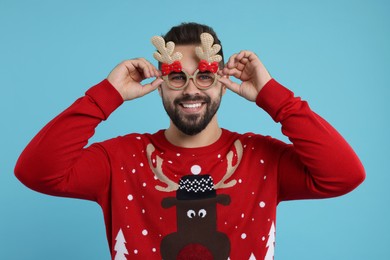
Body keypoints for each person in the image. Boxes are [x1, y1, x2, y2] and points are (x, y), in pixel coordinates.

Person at [15, 22, 365, 260]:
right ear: (161, 82)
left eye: (205, 77)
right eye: (178, 77)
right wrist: (105, 96)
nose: (192, 90)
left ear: (224, 79)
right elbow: (37, 171)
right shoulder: (119, 158)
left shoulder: (262, 158)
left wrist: (273, 96)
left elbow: (344, 175)